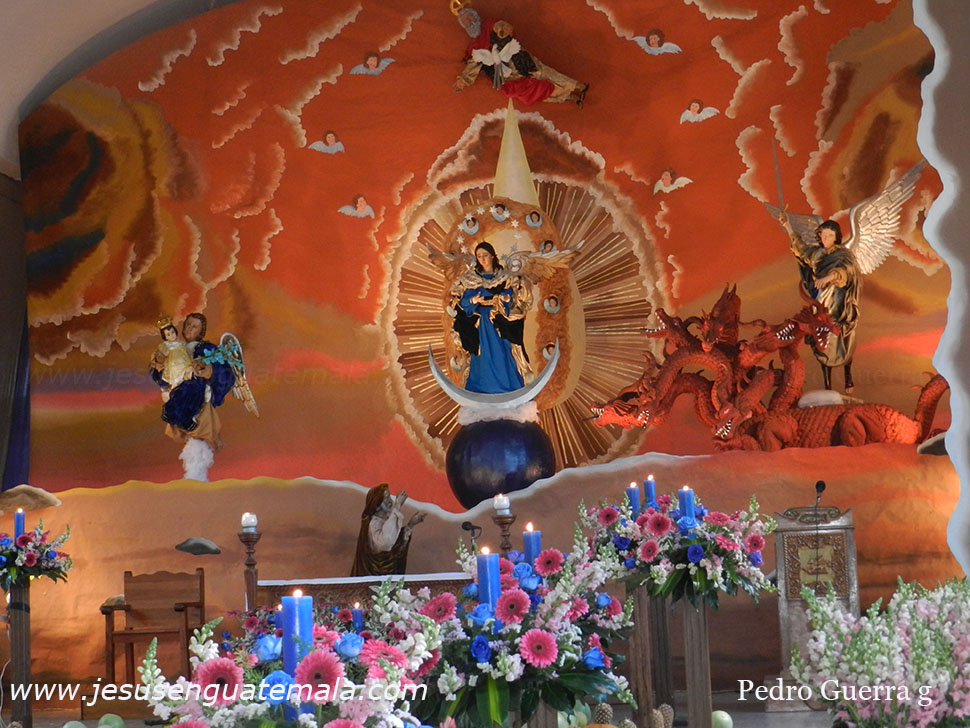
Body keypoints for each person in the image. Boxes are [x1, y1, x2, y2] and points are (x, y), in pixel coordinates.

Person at [778, 213, 861, 391]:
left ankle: (848, 375)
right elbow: (801, 249)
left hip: (838, 300)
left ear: (836, 237)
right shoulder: (817, 254)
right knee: (820, 336)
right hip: (821, 299)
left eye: (830, 235)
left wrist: (828, 278)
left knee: (841, 336)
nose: (826, 239)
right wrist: (788, 226)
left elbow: (846, 270)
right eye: (823, 235)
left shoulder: (843, 254)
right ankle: (827, 385)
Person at [453, 7, 588, 106]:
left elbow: (501, 26)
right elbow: (473, 64)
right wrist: (463, 81)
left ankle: (577, 85)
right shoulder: (474, 46)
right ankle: (569, 97)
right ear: (464, 27)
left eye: (470, 17)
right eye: (466, 22)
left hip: (518, 59)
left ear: (476, 16)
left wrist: (502, 30)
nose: (470, 22)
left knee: (543, 72)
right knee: (532, 93)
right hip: (508, 75)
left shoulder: (489, 25)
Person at [450, 241, 534, 393]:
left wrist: (506, 299)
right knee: (483, 356)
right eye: (479, 256)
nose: (482, 259)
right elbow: (463, 302)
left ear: (493, 256)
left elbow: (511, 295)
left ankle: (510, 388)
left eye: (485, 255)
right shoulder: (471, 279)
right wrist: (473, 300)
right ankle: (482, 389)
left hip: (499, 320)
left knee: (503, 354)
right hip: (481, 323)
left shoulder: (504, 277)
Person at [150, 312, 236, 452]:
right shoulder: (171, 348)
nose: (190, 328)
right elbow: (161, 380)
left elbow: (227, 374)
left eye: (194, 326)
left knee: (200, 442)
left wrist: (208, 370)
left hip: (199, 403)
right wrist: (159, 365)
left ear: (201, 331)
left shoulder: (208, 349)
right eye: (188, 324)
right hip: (176, 393)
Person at [351, 484, 426, 576]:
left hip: (388, 574)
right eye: (386, 498)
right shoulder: (374, 523)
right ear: (377, 505)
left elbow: (396, 545)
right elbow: (386, 543)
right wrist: (397, 506)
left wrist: (411, 524)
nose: (390, 501)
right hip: (376, 576)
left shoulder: (386, 520)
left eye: (389, 497)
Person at [151, 316, 194, 402]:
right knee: (176, 379)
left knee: (187, 372)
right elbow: (160, 355)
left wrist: (192, 357)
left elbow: (187, 351)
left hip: (185, 362)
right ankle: (174, 393)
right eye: (168, 334)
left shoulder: (181, 343)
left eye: (172, 332)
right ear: (165, 337)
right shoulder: (165, 345)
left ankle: (186, 389)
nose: (172, 335)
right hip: (173, 365)